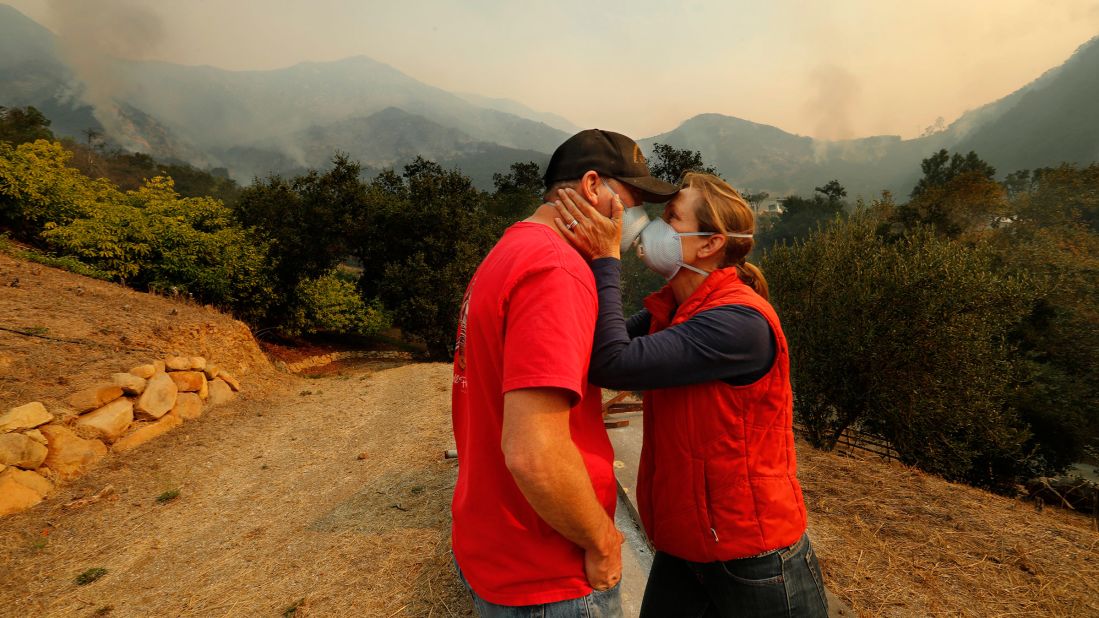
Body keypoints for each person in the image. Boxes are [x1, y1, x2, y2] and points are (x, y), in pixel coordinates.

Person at [550, 172, 829, 617]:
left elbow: (614, 363)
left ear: (709, 244)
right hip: (685, 545)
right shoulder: (673, 309)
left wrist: (606, 258)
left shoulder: (737, 323)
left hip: (752, 555)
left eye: (671, 217)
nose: (652, 228)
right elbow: (593, 348)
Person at [450, 129, 679, 616]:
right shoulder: (558, 270)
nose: (635, 222)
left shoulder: (511, 250)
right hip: (548, 569)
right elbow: (534, 453)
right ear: (592, 186)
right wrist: (602, 541)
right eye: (632, 202)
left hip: (496, 546)